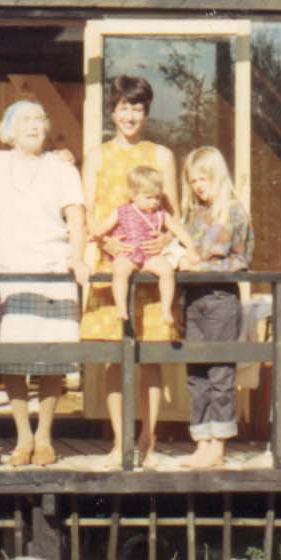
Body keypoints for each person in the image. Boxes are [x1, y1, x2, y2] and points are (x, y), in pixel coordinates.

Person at [0, 100, 88, 467]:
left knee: (53, 359)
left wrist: (78, 258)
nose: (33, 126)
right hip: (11, 273)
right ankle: (22, 437)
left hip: (54, 270)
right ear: (8, 130)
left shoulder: (61, 167)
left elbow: (77, 218)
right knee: (14, 359)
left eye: (39, 119)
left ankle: (45, 436)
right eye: (24, 120)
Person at [81, 74, 178, 469]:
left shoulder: (162, 155)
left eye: (137, 108)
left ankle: (148, 443)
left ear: (146, 112)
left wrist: (165, 244)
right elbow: (87, 214)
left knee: (151, 357)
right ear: (112, 110)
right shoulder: (98, 155)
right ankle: (120, 443)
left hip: (152, 271)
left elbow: (173, 212)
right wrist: (104, 243)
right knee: (113, 358)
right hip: (113, 266)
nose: (130, 115)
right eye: (123, 107)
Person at [178, 147, 254, 470]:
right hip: (193, 299)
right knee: (195, 372)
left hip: (222, 298)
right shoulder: (192, 214)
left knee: (220, 371)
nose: (198, 185)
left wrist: (205, 270)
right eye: (192, 180)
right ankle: (202, 442)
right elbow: (181, 249)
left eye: (203, 178)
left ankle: (218, 445)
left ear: (217, 176)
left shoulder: (234, 212)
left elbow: (242, 259)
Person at [92, 165, 200, 331]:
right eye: (148, 197)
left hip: (150, 255)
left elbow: (179, 230)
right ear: (133, 196)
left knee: (166, 271)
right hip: (128, 253)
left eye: (157, 197)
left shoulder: (161, 214)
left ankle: (166, 309)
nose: (154, 202)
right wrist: (98, 236)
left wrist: (191, 249)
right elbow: (102, 228)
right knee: (120, 271)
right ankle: (121, 307)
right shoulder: (122, 211)